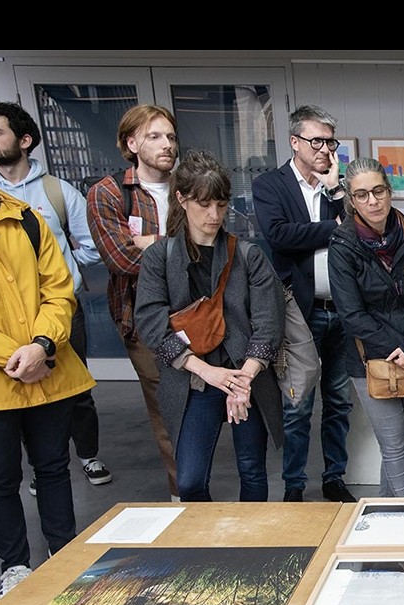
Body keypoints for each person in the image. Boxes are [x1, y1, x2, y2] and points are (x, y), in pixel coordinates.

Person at [0, 106, 95, 599]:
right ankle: (14, 567)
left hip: (47, 367)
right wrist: (13, 355)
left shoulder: (29, 218)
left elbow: (60, 291)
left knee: (54, 468)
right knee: (0, 477)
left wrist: (40, 345)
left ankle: (64, 554)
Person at [133, 149, 284, 502]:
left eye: (221, 204)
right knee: (189, 480)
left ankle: (253, 545)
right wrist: (208, 372)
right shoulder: (160, 257)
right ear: (182, 200)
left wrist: (243, 380)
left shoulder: (248, 255)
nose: (214, 215)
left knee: (252, 470)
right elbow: (152, 325)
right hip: (192, 379)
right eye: (204, 204)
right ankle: (206, 548)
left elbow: (268, 324)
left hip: (245, 375)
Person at [0, 100, 112, 494]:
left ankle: (88, 455)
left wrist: (65, 264)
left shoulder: (56, 191)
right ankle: (42, 465)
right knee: (23, 392)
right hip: (4, 317)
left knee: (76, 390)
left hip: (60, 309)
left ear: (23, 140)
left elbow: (91, 246)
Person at [252, 104, 355, 503]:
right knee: (297, 405)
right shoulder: (271, 185)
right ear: (295, 142)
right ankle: (294, 486)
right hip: (300, 312)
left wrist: (336, 190)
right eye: (317, 140)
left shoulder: (337, 187)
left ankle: (334, 478)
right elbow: (280, 236)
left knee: (339, 403)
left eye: (331, 141)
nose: (326, 149)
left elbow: (360, 231)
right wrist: (336, 229)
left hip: (342, 311)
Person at [328, 157, 404, 497]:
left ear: (390, 192)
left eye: (378, 191)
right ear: (351, 200)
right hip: (370, 363)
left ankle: (384, 514)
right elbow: (352, 316)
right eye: (362, 194)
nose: (372, 201)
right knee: (394, 449)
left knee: (397, 444)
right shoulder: (342, 245)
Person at [85, 104, 180, 498]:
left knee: (206, 408)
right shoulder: (108, 193)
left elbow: (212, 251)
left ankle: (198, 485)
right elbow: (122, 259)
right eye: (155, 136)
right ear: (131, 142)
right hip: (143, 322)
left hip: (198, 315)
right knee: (167, 410)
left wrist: (152, 244)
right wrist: (176, 247)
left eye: (171, 137)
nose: (167, 145)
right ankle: (184, 496)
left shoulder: (187, 186)